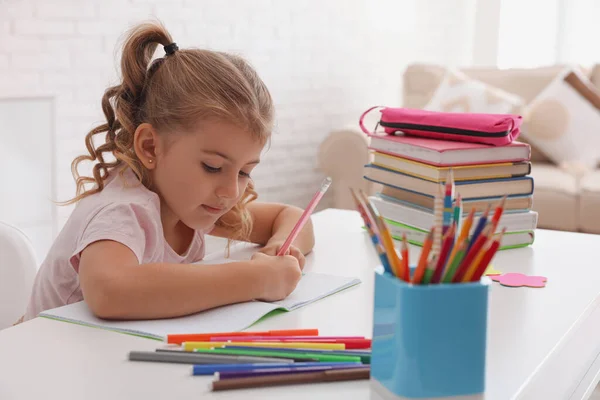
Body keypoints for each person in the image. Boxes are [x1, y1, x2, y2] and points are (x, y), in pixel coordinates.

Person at [21, 21, 314, 323]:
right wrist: (254, 279)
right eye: (212, 167)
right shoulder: (123, 211)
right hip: (44, 361)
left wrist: (282, 248)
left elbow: (293, 219)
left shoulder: (189, 202)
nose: (231, 191)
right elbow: (110, 292)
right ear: (150, 147)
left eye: (244, 172)